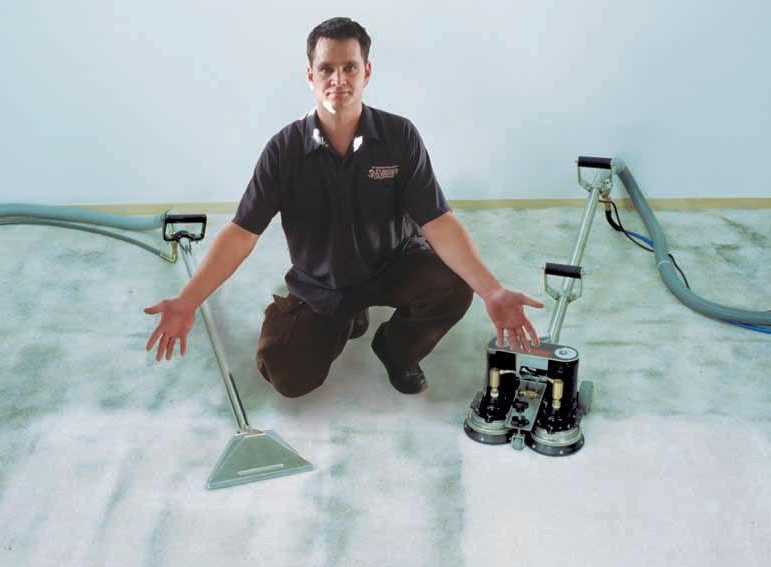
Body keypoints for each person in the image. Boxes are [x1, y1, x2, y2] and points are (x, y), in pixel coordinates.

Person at [145, 17, 543, 397]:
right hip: (324, 283)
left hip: (393, 266)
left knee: (455, 284)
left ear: (367, 72)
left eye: (350, 68)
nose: (338, 80)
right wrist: (188, 300)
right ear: (310, 76)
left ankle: (396, 349)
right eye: (327, 69)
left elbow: (437, 220)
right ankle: (346, 314)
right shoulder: (284, 151)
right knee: (285, 373)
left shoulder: (399, 136)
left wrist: (491, 290)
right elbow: (241, 233)